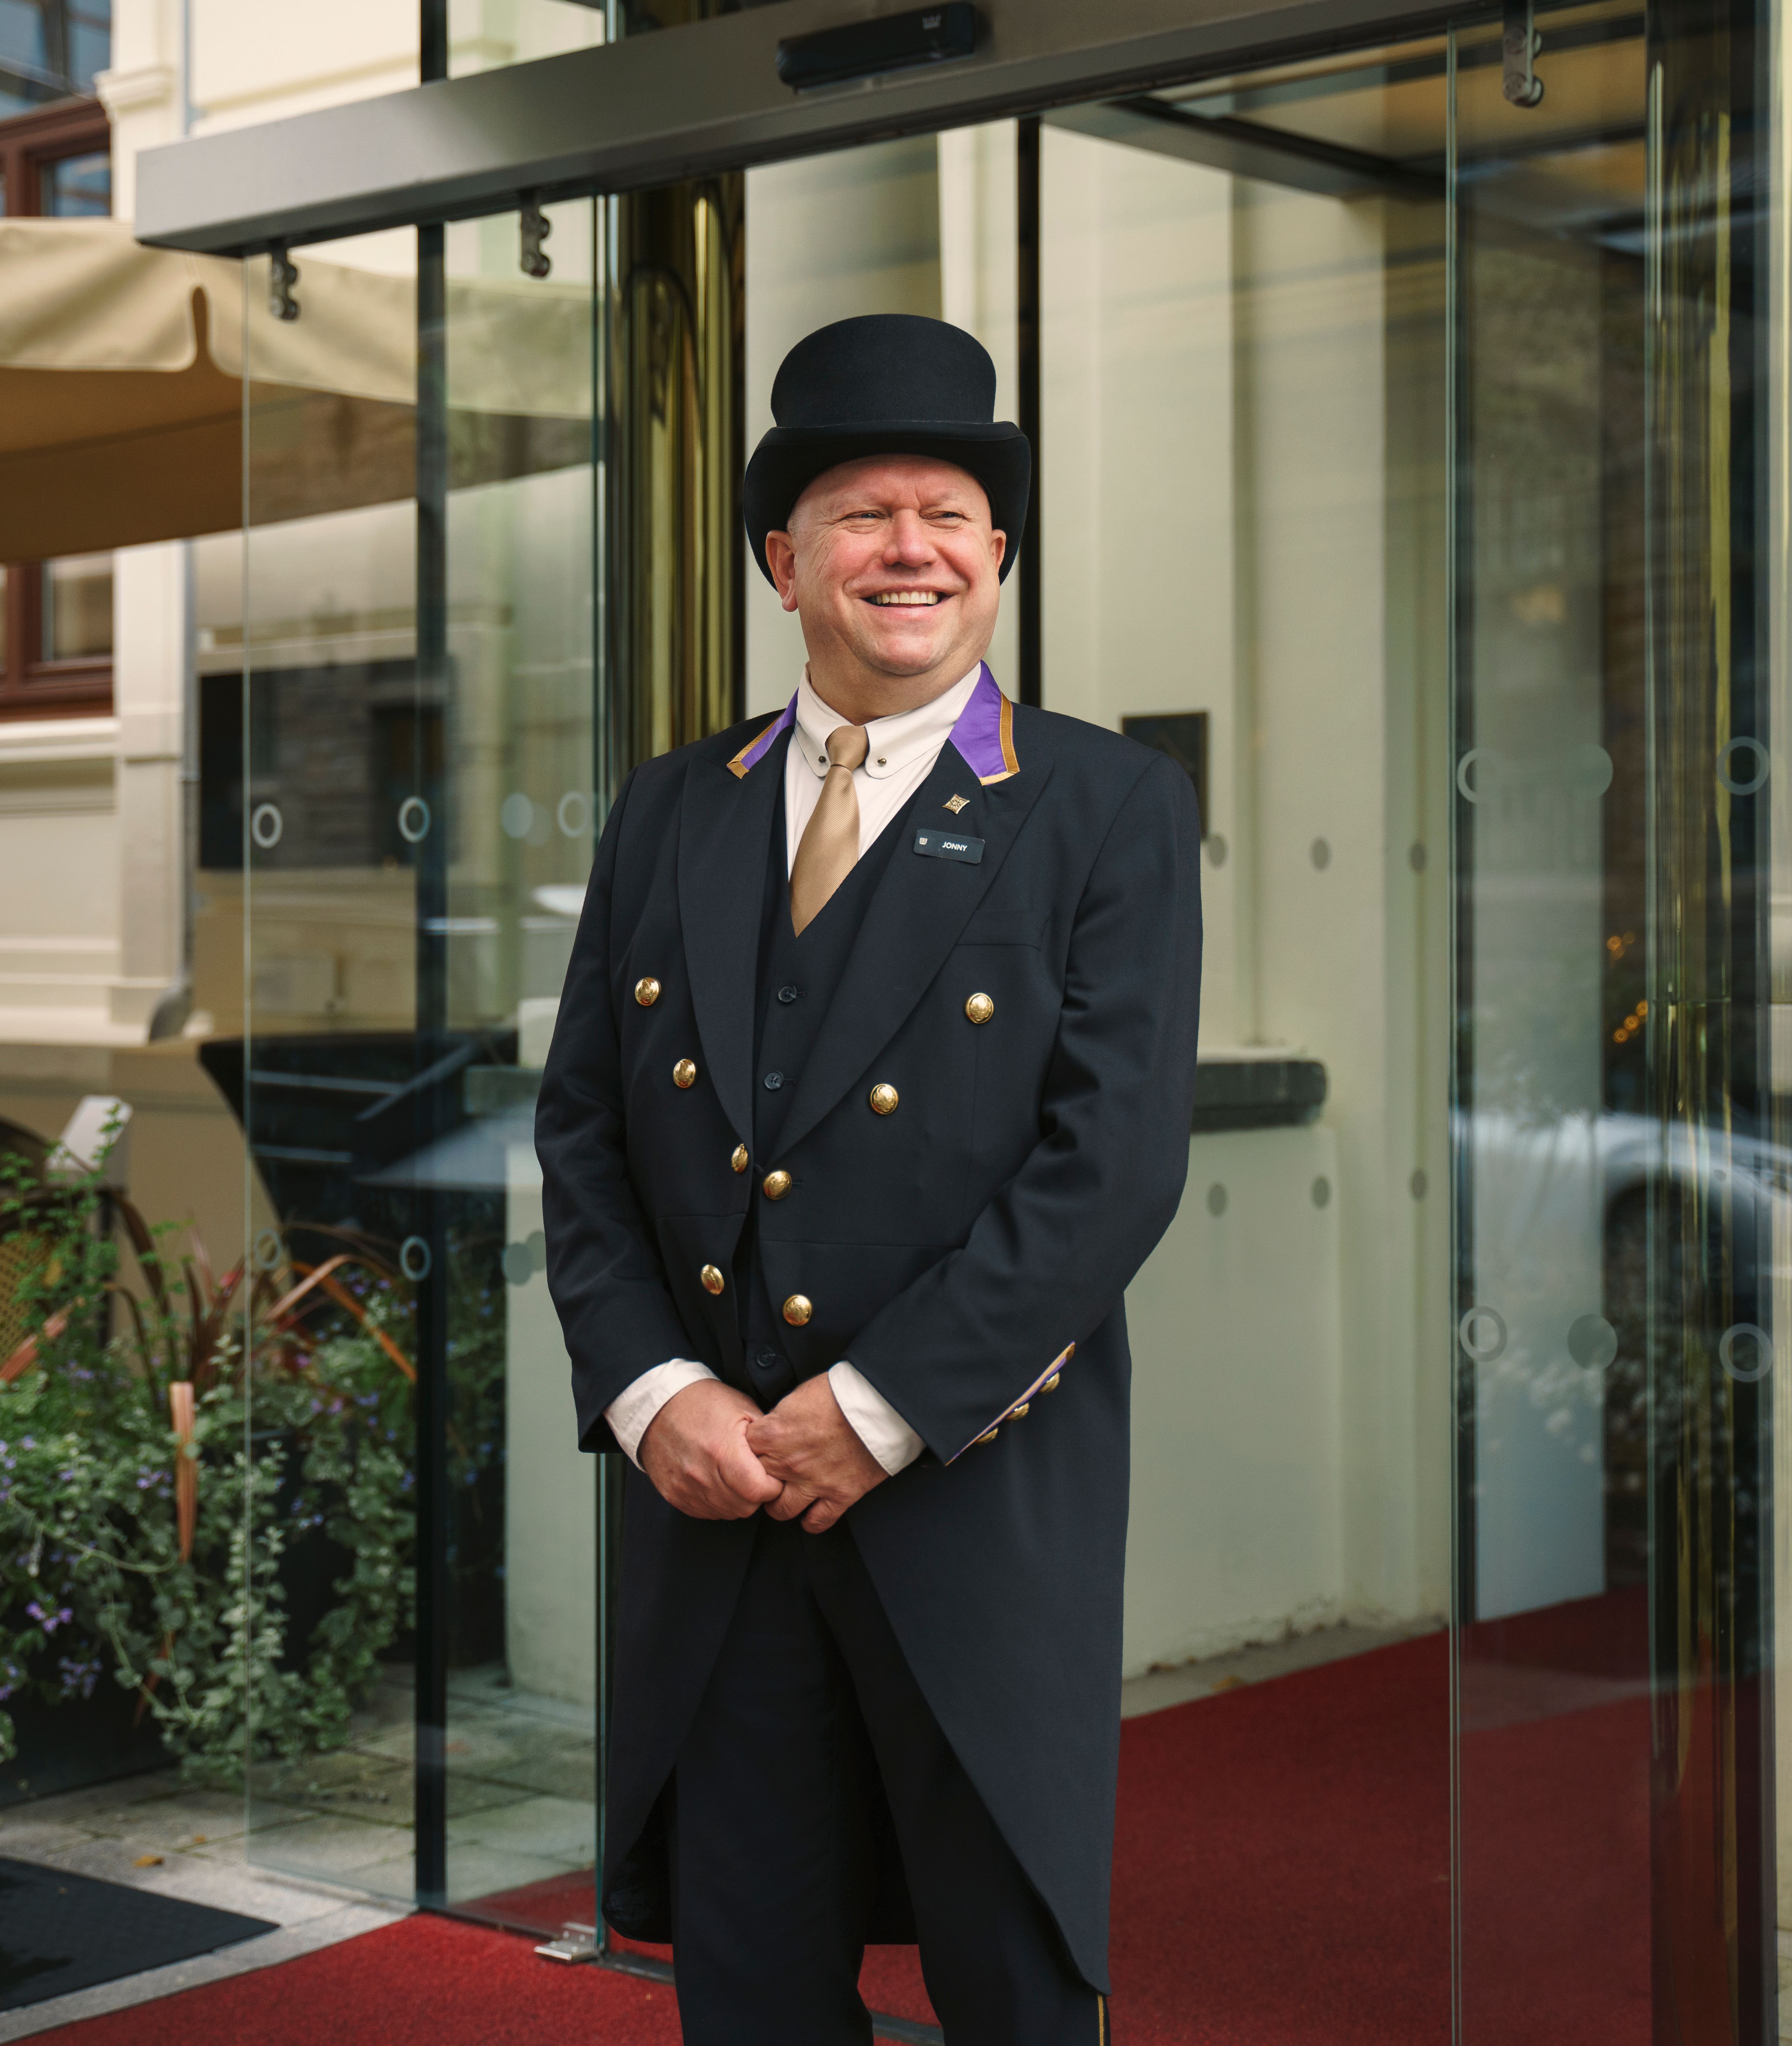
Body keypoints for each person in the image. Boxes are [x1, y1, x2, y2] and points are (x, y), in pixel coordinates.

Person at [534, 312, 1201, 2044]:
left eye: (949, 515)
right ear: (782, 558)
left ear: (996, 557)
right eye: (858, 512)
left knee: (1010, 1976)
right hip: (717, 1500)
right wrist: (644, 1387)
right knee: (749, 1979)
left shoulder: (1099, 803)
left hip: (964, 1496)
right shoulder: (671, 806)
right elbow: (583, 1129)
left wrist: (887, 1405)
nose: (908, 549)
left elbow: (1108, 1163)